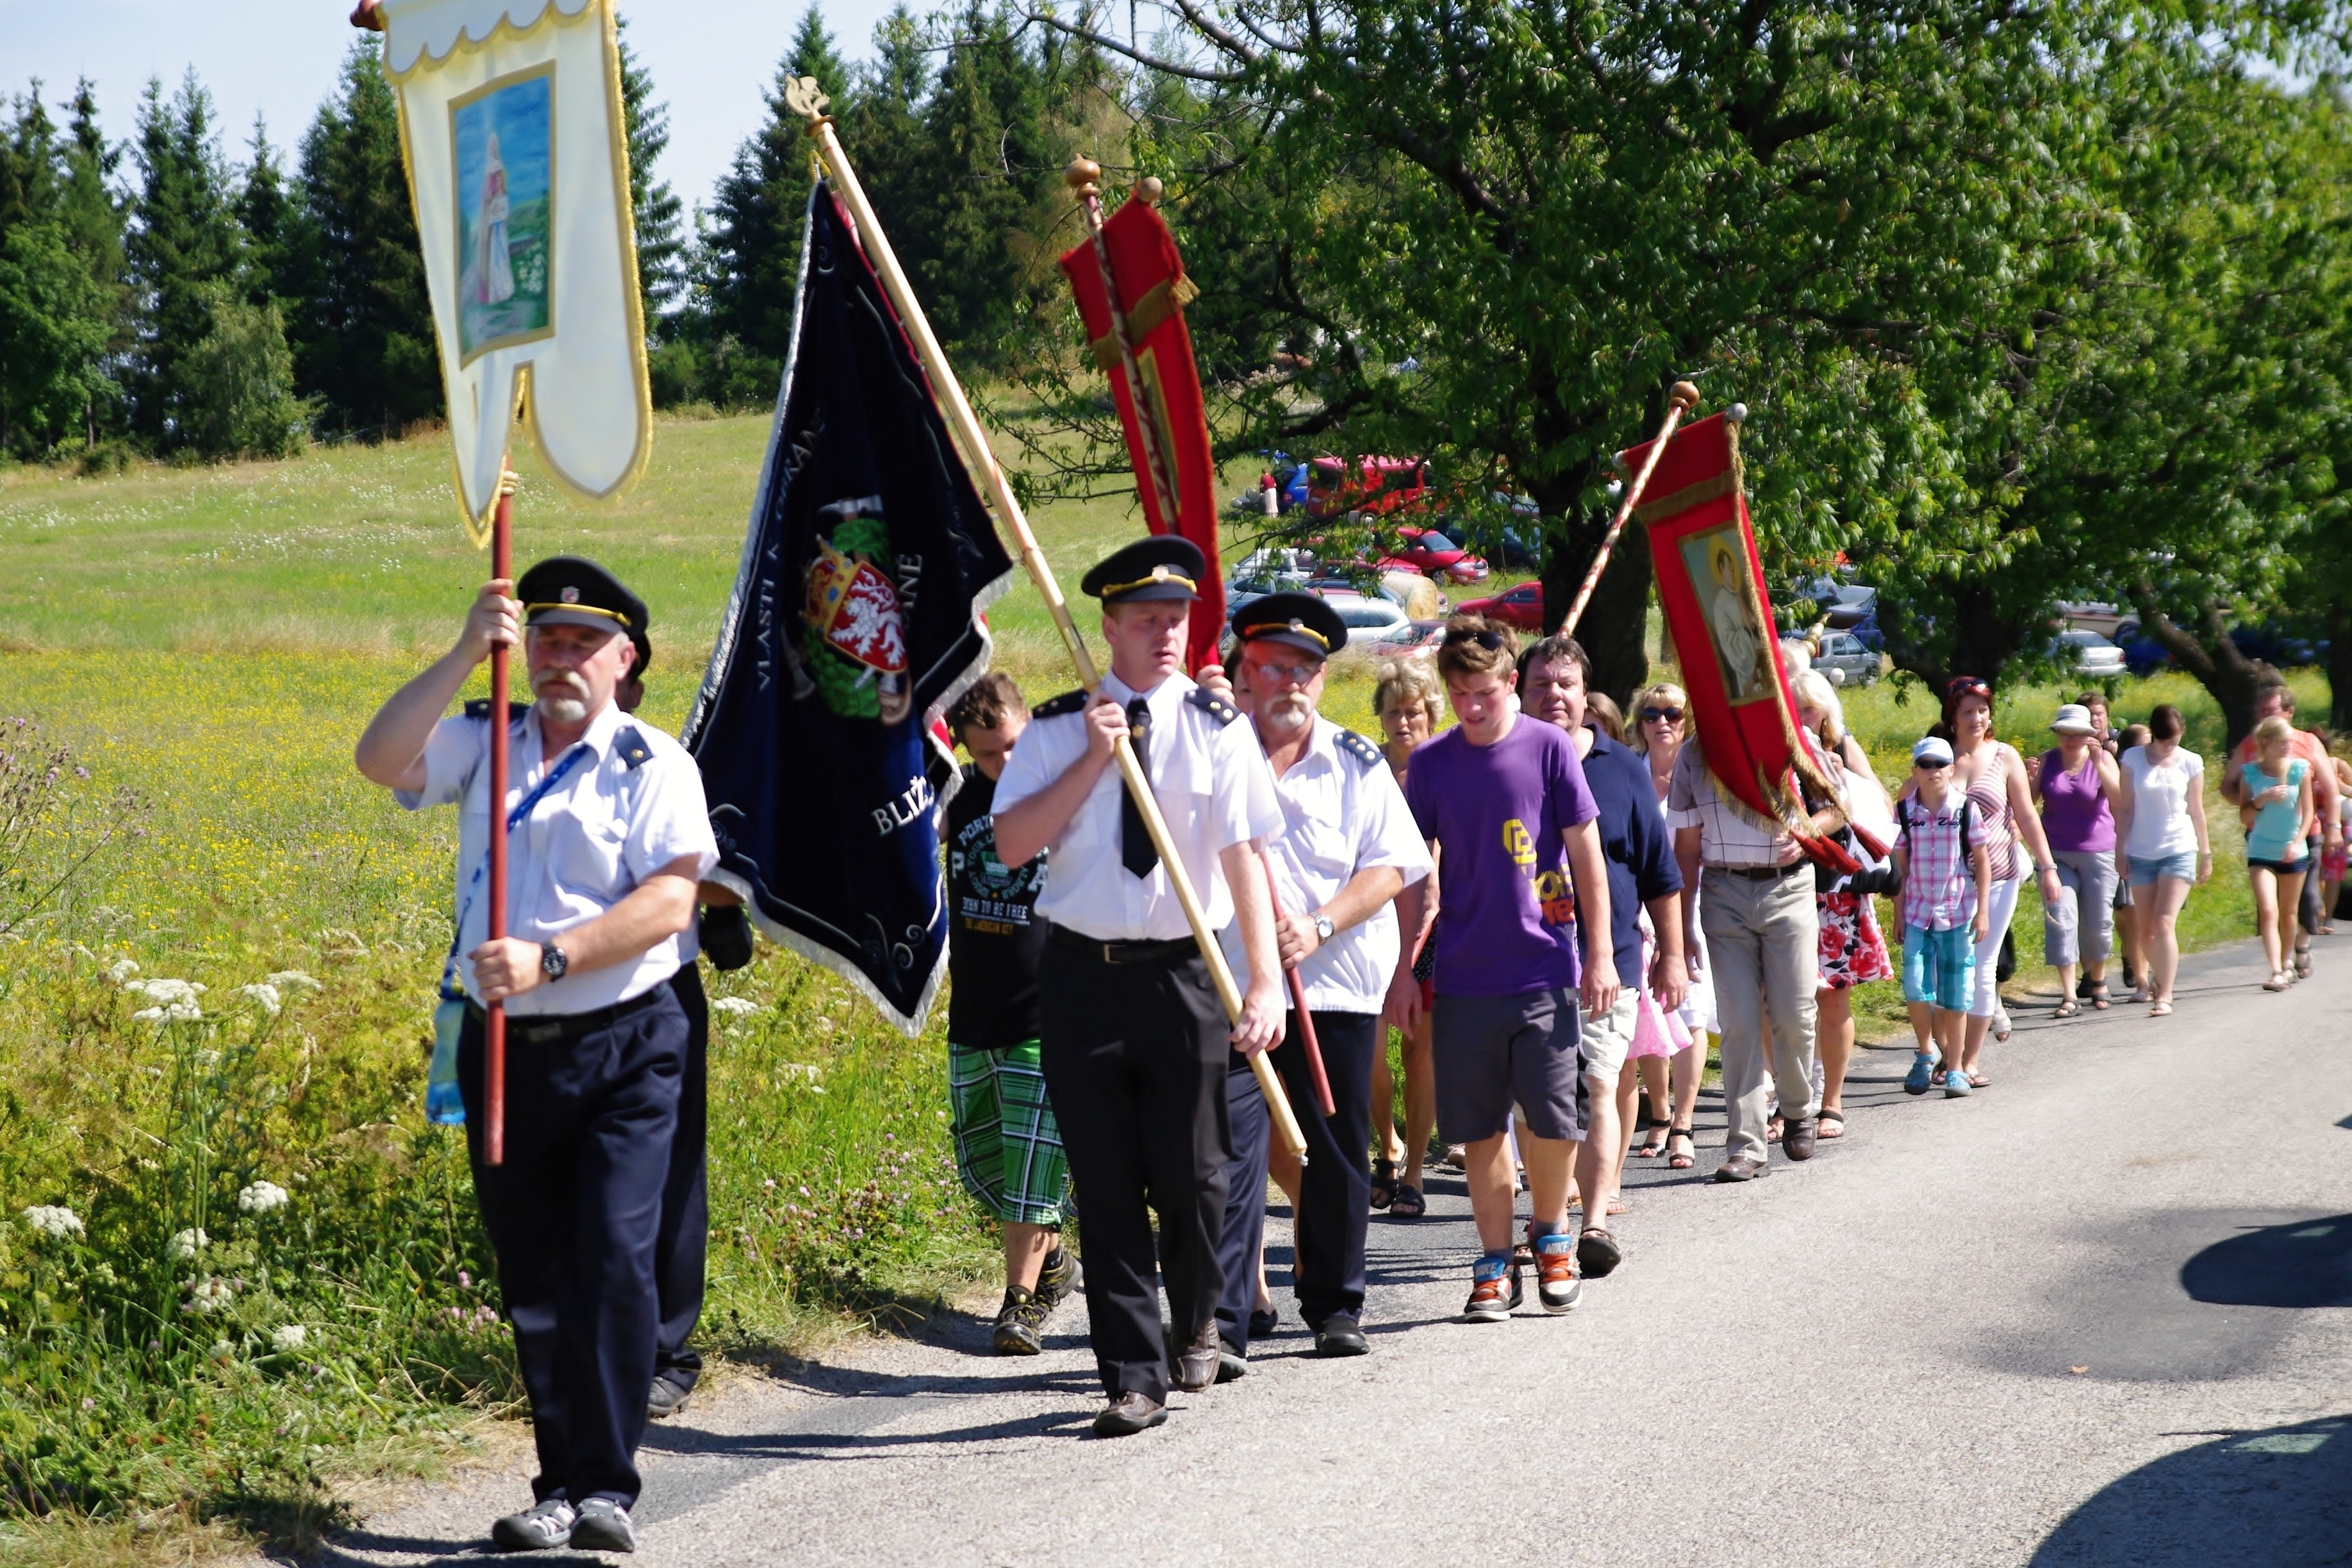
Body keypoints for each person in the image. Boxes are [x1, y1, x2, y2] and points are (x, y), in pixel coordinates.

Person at [356, 558, 718, 1554]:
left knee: (611, 1250)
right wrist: (466, 647)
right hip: (506, 1046)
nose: (561, 659)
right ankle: (558, 1479)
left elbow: (670, 901)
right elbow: (380, 757)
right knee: (536, 1270)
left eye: (583, 643)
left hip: (629, 1038)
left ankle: (606, 1484)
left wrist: (550, 954)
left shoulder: (656, 764)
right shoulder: (485, 740)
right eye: (546, 639)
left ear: (623, 659)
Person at [990, 536, 1285, 1438]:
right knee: (1105, 1180)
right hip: (1082, 972)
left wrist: (1262, 979)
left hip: (1185, 973)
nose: (1165, 634)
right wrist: (1089, 756)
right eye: (1146, 620)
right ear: (1108, 626)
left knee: (1196, 1176)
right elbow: (1011, 845)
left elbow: (1243, 856)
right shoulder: (1052, 728)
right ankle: (1130, 1374)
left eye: (1176, 619)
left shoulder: (1217, 726)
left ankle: (1197, 1310)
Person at [1213, 595, 1430, 1363]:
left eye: (1306, 669)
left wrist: (1319, 924)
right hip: (1229, 982)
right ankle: (1229, 1314)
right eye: (1274, 667)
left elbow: (1393, 865)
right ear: (1245, 670)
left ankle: (1335, 1303)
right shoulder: (1213, 755)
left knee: (1337, 1146)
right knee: (1229, 1149)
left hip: (1333, 982)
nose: (1292, 683)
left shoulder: (1356, 760)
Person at [1385, 617, 1618, 1319]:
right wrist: (1402, 971)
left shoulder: (1548, 749)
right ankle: (1492, 1260)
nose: (1473, 707)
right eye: (1459, 695)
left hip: (1544, 967)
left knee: (1552, 1121)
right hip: (1462, 975)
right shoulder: (1430, 764)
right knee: (1479, 1126)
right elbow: (1408, 873)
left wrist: (1599, 953)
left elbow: (1588, 859)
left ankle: (1549, 1236)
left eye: (1483, 692)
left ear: (1508, 683)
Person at [613, 634, 755, 1423]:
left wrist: (725, 904)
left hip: (654, 991)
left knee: (668, 1177)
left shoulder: (665, 765)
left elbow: (714, 884)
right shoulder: (523, 757)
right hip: (548, 1006)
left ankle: (668, 1350)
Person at [1518, 636, 1683, 1271]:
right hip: (1523, 960)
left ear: (1585, 695)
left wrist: (1670, 954)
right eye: (1541, 684)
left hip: (1604, 959)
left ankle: (1590, 1223)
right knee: (1538, 1100)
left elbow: (1659, 870)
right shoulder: (1504, 762)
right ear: (1519, 691)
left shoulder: (1622, 768)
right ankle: (1549, 1216)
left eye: (1565, 683)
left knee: (1597, 1080)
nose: (1554, 694)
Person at [943, 673, 1080, 1355]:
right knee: (985, 1165)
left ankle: (1019, 1303)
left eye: (1014, 746)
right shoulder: (959, 794)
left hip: (1045, 1010)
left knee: (1029, 1170)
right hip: (972, 1010)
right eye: (987, 753)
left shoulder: (1063, 796)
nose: (1003, 764)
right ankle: (1056, 1261)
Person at [1668, 683, 1820, 1184]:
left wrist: (1806, 834)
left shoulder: (1785, 737)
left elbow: (1837, 806)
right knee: (1737, 1021)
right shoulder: (1693, 754)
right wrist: (1683, 924)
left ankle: (1798, 1107)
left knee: (1794, 1014)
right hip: (1724, 891)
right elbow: (1687, 845)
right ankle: (1747, 1145)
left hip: (1788, 889)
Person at [1900, 677, 2063, 1085]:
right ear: (1952, 718)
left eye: (1983, 711)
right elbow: (1901, 807)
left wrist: (2048, 868)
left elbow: (2026, 815)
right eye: (1968, 711)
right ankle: (1944, 1051)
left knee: (1982, 967)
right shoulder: (1938, 758)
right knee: (1936, 973)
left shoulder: (2004, 756)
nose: (1977, 719)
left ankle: (1969, 1060)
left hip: (1999, 872)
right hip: (1943, 880)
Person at [1791, 670, 1892, 1139]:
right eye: (1794, 706)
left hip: (1834, 891)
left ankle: (1831, 1100)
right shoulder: (1774, 754)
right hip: (1787, 888)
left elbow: (1868, 803)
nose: (1802, 715)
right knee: (1783, 1001)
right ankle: (1791, 1099)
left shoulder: (1839, 752)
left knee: (1832, 998)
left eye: (1809, 706)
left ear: (1827, 712)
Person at [1369, 659, 1443, 1219]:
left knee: (1420, 1051)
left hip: (1434, 929)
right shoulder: (1366, 769)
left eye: (1412, 711)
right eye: (1393, 711)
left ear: (1430, 714)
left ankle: (1414, 1168)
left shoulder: (1447, 767)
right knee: (1371, 1059)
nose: (1402, 721)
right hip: (1373, 928)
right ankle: (1386, 1146)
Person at [1628, 682, 1710, 1172]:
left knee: (1691, 1011)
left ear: (1686, 721)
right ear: (1640, 723)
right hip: (1637, 907)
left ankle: (1683, 1122)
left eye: (1673, 713)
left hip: (1691, 900)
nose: (1663, 721)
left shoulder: (1699, 773)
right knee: (1648, 1013)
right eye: (1652, 713)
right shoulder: (1629, 774)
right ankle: (1658, 1112)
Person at [2221, 680, 2342, 981]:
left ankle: (2302, 943)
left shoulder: (2308, 744)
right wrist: (2254, 806)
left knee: (2309, 900)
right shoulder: (2253, 744)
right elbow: (2228, 786)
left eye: (2270, 710)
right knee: (2269, 907)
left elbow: (2329, 789)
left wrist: (2334, 827)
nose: (2263, 715)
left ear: (2289, 712)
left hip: (2306, 833)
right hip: (2263, 837)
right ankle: (2280, 965)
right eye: (2261, 710)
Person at [1893, 737, 1992, 1097]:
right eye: (1925, 764)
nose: (1933, 771)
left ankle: (1955, 1069)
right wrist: (1899, 912)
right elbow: (1900, 869)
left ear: (1952, 769)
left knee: (1956, 994)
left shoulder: (1966, 809)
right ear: (1915, 770)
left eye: (1940, 765)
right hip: (1918, 912)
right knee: (1916, 986)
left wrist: (1983, 912)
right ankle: (1925, 1051)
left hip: (1957, 909)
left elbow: (1982, 861)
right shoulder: (1904, 811)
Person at [2113, 705, 2208, 1018]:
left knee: (2164, 922)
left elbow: (2196, 810)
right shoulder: (2132, 760)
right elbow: (2125, 808)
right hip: (2141, 850)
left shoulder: (2191, 762)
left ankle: (2164, 994)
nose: (2171, 746)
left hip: (2179, 848)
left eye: (2176, 740)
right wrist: (2120, 849)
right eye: (2166, 740)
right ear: (2154, 735)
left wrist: (2205, 853)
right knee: (2146, 931)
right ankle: (2159, 975)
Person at [2033, 704, 2123, 1018]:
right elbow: (2028, 804)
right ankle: (2069, 994)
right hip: (2057, 854)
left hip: (2099, 853)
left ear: (2089, 735)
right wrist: (2032, 777)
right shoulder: (2048, 761)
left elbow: (2119, 799)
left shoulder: (2102, 758)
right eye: (2065, 734)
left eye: (2078, 734)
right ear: (2057, 734)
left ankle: (2097, 978)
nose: (2071, 740)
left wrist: (2099, 763)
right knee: (2061, 920)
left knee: (2098, 924)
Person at [2239, 714, 2316, 991]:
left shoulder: (2299, 770)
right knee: (2268, 910)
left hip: (2292, 852)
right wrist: (2261, 799)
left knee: (2288, 913)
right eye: (2282, 742)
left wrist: (2297, 842)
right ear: (2266, 743)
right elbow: (2244, 815)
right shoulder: (2251, 773)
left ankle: (2286, 963)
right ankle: (2275, 970)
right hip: (2261, 850)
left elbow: (2308, 813)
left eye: (2290, 742)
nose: (2288, 747)